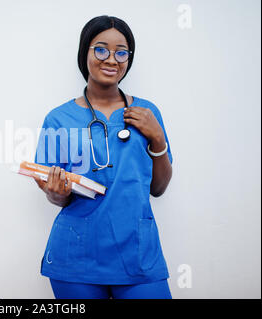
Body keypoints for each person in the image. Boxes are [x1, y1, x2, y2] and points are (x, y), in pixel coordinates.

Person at [32, 15, 174, 299]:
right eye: (101, 49)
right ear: (85, 52)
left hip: (137, 254)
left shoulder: (148, 113)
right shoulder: (58, 118)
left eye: (121, 52)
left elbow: (158, 188)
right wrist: (56, 193)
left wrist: (157, 137)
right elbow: (54, 193)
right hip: (77, 257)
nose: (111, 59)